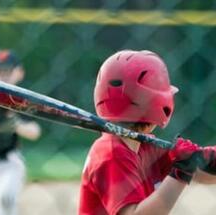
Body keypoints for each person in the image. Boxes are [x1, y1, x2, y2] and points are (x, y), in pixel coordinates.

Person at [78, 50, 216, 215]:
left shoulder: (146, 146)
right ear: (159, 102)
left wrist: (197, 160)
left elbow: (199, 172)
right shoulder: (111, 154)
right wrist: (181, 172)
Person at [0, 44, 41, 215]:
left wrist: (15, 125)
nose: (3, 75)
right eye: (0, 70)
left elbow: (35, 131)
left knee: (6, 203)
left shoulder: (21, 100)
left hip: (10, 164)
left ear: (19, 73)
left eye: (8, 71)